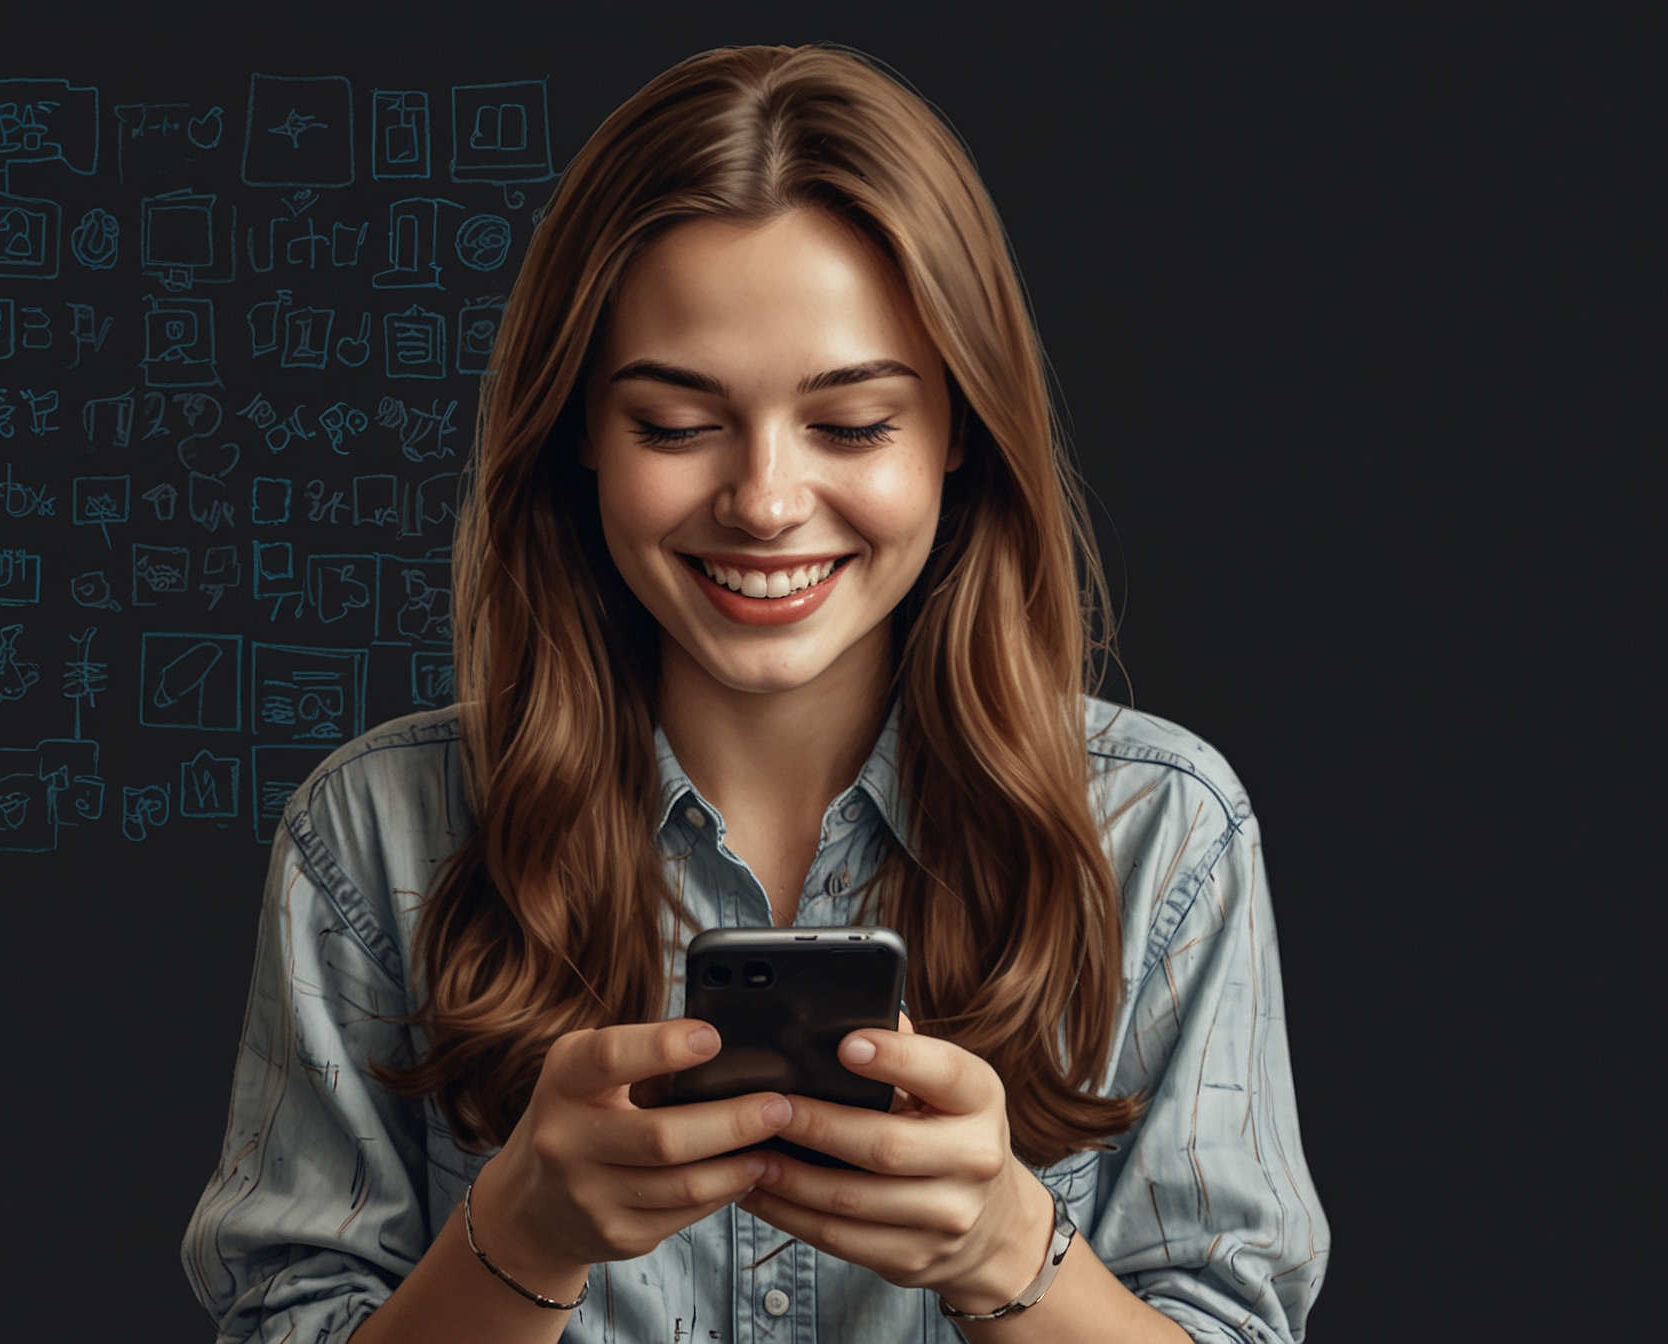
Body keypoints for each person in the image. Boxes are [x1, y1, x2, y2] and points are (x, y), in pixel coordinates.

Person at [182, 44, 1328, 1344]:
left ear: (960, 428)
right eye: (675, 425)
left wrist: (1009, 1248)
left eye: (851, 426)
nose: (766, 502)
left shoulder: (1161, 837)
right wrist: (523, 1238)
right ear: (578, 439)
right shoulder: (374, 836)